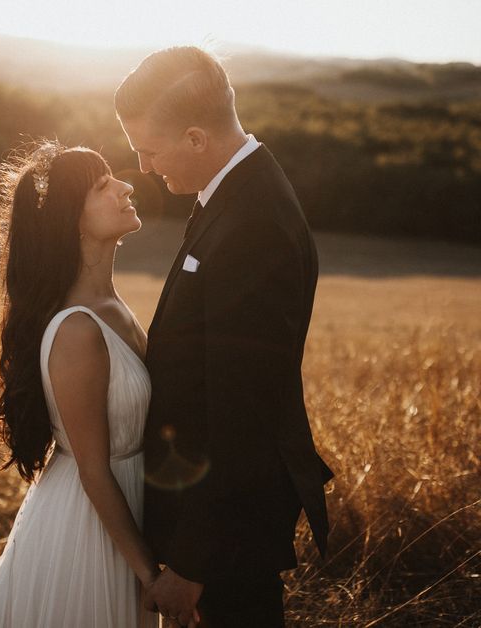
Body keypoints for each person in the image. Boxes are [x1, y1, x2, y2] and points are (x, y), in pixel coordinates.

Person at [115, 46, 334, 627]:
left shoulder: (254, 221)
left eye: (149, 150)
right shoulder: (236, 191)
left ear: (195, 138)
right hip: (212, 521)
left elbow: (244, 410)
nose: (142, 167)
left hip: (223, 533)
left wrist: (191, 563)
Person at [0, 141, 159, 627]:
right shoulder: (76, 330)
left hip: (131, 509)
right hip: (92, 531)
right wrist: (150, 576)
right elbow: (94, 471)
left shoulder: (113, 308)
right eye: (102, 185)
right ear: (72, 219)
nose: (125, 184)